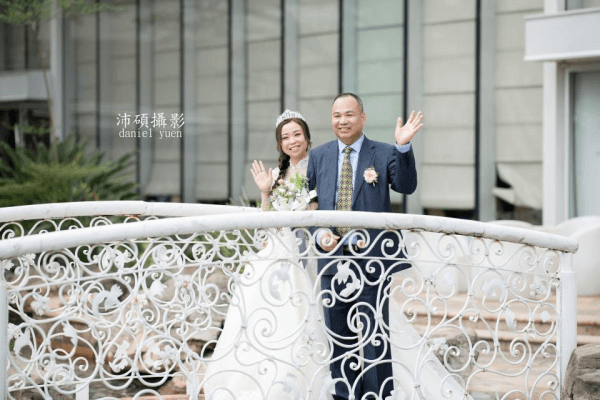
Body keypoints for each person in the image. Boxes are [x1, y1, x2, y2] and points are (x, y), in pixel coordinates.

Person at [203, 110, 333, 400]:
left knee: (305, 311)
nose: (292, 141)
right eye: (286, 137)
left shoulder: (319, 169)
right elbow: (268, 221)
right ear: (280, 144)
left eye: (297, 134)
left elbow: (321, 209)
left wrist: (306, 208)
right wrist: (265, 192)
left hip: (307, 250)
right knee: (262, 315)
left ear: (307, 137)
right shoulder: (276, 175)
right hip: (278, 250)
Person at [306, 92, 420, 400]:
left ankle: (377, 395)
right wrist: (318, 233)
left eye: (348, 114)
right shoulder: (319, 156)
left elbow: (406, 186)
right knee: (338, 335)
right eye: (336, 115)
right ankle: (344, 395)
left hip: (371, 260)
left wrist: (403, 147)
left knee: (374, 334)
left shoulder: (383, 152)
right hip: (331, 259)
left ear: (362, 118)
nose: (342, 121)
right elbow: (307, 204)